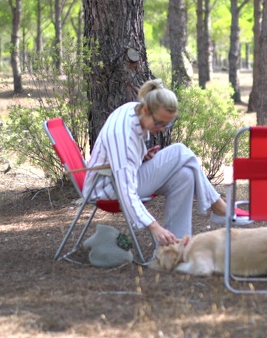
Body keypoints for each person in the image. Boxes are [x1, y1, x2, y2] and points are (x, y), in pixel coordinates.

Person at [82, 78, 228, 247]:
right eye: (159, 122)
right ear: (145, 109)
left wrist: (141, 156)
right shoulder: (123, 135)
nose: (161, 129)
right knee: (180, 151)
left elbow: (123, 160)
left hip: (116, 178)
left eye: (167, 124)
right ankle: (217, 206)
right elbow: (126, 191)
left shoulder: (133, 111)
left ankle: (174, 248)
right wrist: (154, 227)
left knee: (185, 175)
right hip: (106, 189)